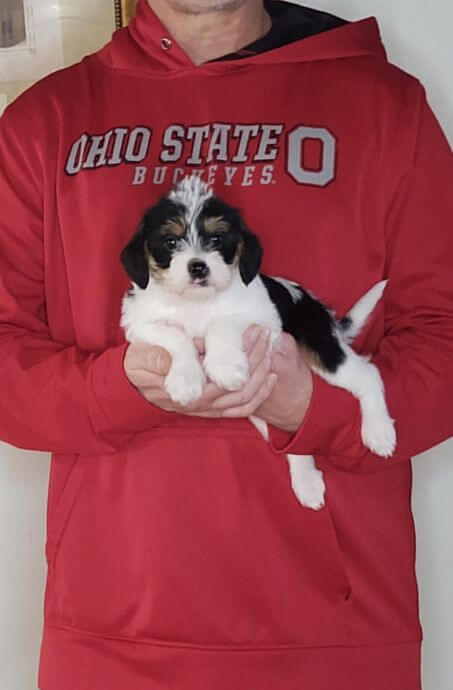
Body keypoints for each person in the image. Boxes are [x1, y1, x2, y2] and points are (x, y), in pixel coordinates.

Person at [0, 0, 452, 688]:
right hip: (114, 637)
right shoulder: (43, 122)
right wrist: (115, 390)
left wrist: (315, 408)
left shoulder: (384, 105)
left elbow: (444, 340)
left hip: (336, 637)